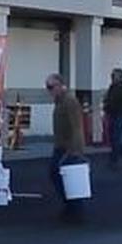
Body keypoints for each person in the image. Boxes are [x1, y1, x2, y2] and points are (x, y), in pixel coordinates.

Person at [46, 73, 85, 222]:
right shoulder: (59, 101)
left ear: (61, 85)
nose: (49, 90)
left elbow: (76, 127)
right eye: (47, 87)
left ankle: (74, 209)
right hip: (60, 145)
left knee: (67, 177)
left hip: (68, 147)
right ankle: (71, 208)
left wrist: (75, 150)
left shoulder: (69, 101)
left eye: (51, 86)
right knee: (59, 176)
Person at [104, 68, 122, 168]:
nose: (112, 77)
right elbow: (108, 100)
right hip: (112, 114)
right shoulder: (112, 87)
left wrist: (120, 109)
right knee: (113, 138)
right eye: (112, 75)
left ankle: (115, 159)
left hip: (120, 115)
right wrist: (106, 109)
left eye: (114, 75)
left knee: (116, 137)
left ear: (120, 76)